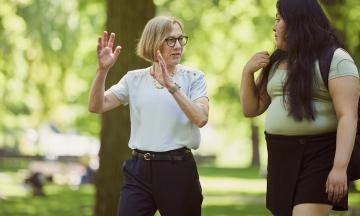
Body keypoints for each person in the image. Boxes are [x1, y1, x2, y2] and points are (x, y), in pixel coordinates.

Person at [240, 0, 359, 215]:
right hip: (280, 156)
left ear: (297, 21)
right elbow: (252, 108)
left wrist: (340, 168)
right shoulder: (276, 61)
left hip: (321, 154)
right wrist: (247, 73)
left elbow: (347, 116)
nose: (274, 27)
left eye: (278, 19)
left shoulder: (336, 59)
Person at [88, 16, 208, 216]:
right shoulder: (134, 79)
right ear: (154, 43)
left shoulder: (194, 77)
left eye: (181, 39)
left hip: (178, 170)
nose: (178, 45)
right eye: (170, 40)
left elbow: (201, 118)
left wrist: (171, 87)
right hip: (139, 171)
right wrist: (102, 71)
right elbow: (96, 105)